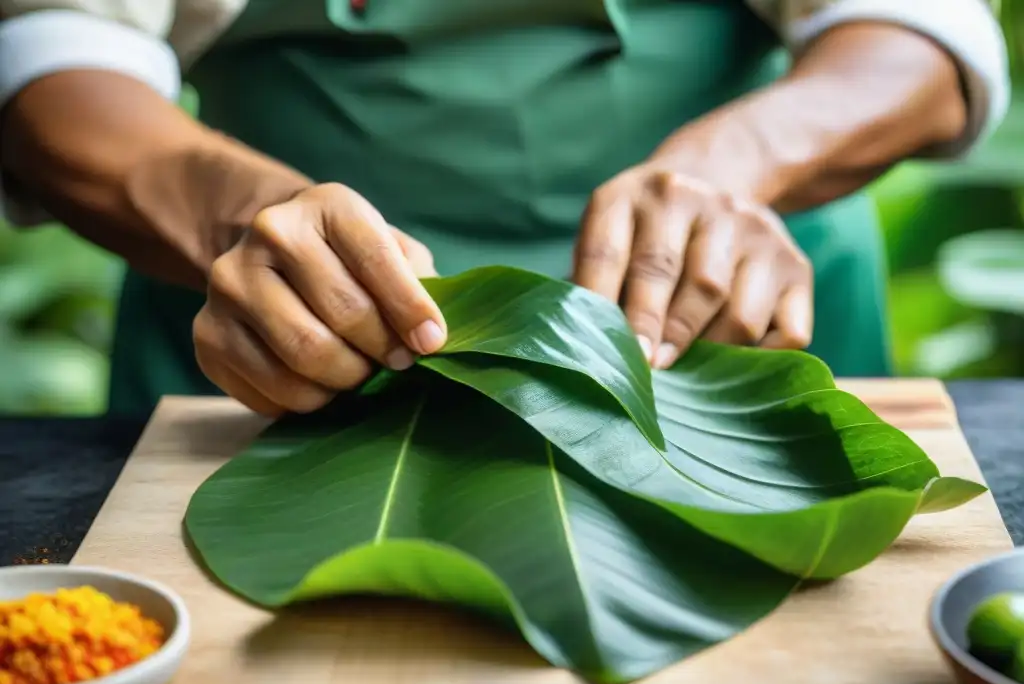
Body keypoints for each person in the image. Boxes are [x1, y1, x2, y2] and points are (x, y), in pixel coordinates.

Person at [0, 0, 1009, 418]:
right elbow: (52, 47)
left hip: (729, 336)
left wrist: (735, 166)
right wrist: (242, 220)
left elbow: (920, 36)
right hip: (274, 350)